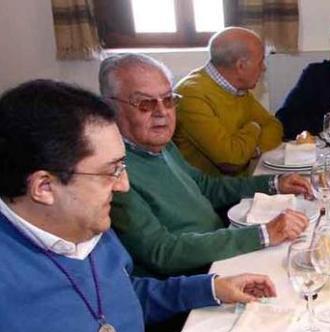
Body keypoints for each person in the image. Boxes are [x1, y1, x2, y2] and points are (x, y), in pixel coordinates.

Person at [0, 79, 279, 332]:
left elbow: (125, 296)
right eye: (111, 171)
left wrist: (211, 288)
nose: (124, 186)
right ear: (44, 187)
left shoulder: (86, 225)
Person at [101, 54, 311, 278]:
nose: (162, 112)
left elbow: (206, 187)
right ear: (109, 107)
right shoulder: (113, 174)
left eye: (168, 99)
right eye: (145, 103)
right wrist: (262, 234)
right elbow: (161, 252)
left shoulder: (161, 146)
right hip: (193, 281)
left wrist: (274, 183)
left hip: (220, 248)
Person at [173, 27, 283, 176]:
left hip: (237, 186)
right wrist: (254, 127)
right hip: (210, 194)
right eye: (260, 61)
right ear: (241, 66)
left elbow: (274, 126)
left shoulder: (238, 89)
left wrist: (252, 149)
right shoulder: (191, 95)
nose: (263, 68)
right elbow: (231, 160)